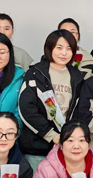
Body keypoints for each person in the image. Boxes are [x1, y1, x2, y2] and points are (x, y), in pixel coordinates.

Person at [18, 30, 84, 169]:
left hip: (67, 148)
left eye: (69, 49)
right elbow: (26, 108)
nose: (64, 53)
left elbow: (79, 111)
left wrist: (70, 138)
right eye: (59, 48)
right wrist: (51, 135)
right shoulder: (35, 73)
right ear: (49, 48)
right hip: (37, 148)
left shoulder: (77, 76)